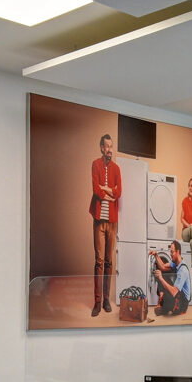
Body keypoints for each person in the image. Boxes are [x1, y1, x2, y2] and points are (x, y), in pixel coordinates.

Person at [88, 133, 121, 317]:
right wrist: (109, 195)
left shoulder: (116, 168)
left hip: (112, 222)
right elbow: (95, 190)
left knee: (109, 261)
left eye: (111, 146)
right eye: (106, 146)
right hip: (99, 220)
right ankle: (97, 301)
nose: (109, 150)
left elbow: (119, 192)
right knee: (99, 261)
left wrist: (106, 189)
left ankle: (107, 299)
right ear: (101, 148)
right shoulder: (95, 164)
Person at [149, 240, 191, 319]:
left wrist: (161, 278)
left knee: (163, 281)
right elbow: (163, 266)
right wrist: (156, 255)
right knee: (163, 275)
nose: (170, 254)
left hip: (183, 304)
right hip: (179, 296)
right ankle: (162, 302)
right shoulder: (176, 263)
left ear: (178, 252)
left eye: (172, 252)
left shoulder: (183, 270)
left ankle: (165, 307)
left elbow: (174, 292)